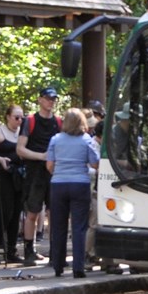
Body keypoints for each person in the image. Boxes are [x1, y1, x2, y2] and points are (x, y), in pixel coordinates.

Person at [45, 109, 99, 278]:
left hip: (58, 185)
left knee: (58, 226)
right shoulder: (86, 140)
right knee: (79, 227)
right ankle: (78, 267)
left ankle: (58, 265)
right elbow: (95, 164)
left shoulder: (55, 140)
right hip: (80, 185)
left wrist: (60, 173)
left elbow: (49, 166)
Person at [16, 86, 63, 265]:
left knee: (54, 213)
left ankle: (55, 252)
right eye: (48, 98)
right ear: (40, 100)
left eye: (53, 99)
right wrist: (41, 156)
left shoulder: (58, 122)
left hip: (53, 172)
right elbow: (20, 149)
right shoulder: (30, 121)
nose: (51, 102)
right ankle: (29, 250)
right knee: (32, 213)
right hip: (34, 173)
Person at [0, 105, 25, 265]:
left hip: (18, 175)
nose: (19, 121)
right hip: (2, 175)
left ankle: (11, 249)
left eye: (22, 118)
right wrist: (0, 160)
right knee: (3, 212)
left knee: (16, 212)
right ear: (8, 117)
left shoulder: (22, 133)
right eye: (16, 117)